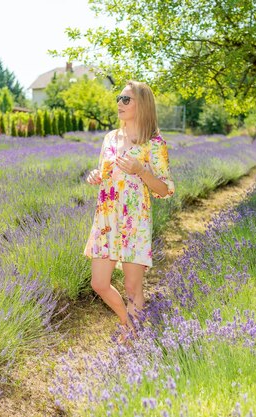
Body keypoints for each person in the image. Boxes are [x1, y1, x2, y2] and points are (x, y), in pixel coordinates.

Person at [83, 80, 175, 341]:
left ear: (142, 105)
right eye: (119, 99)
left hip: (135, 221)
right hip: (106, 219)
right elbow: (104, 172)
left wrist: (141, 170)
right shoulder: (110, 138)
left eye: (126, 100)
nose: (119, 104)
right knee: (99, 284)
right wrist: (95, 175)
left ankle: (133, 339)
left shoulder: (154, 144)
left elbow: (165, 189)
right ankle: (128, 322)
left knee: (133, 288)